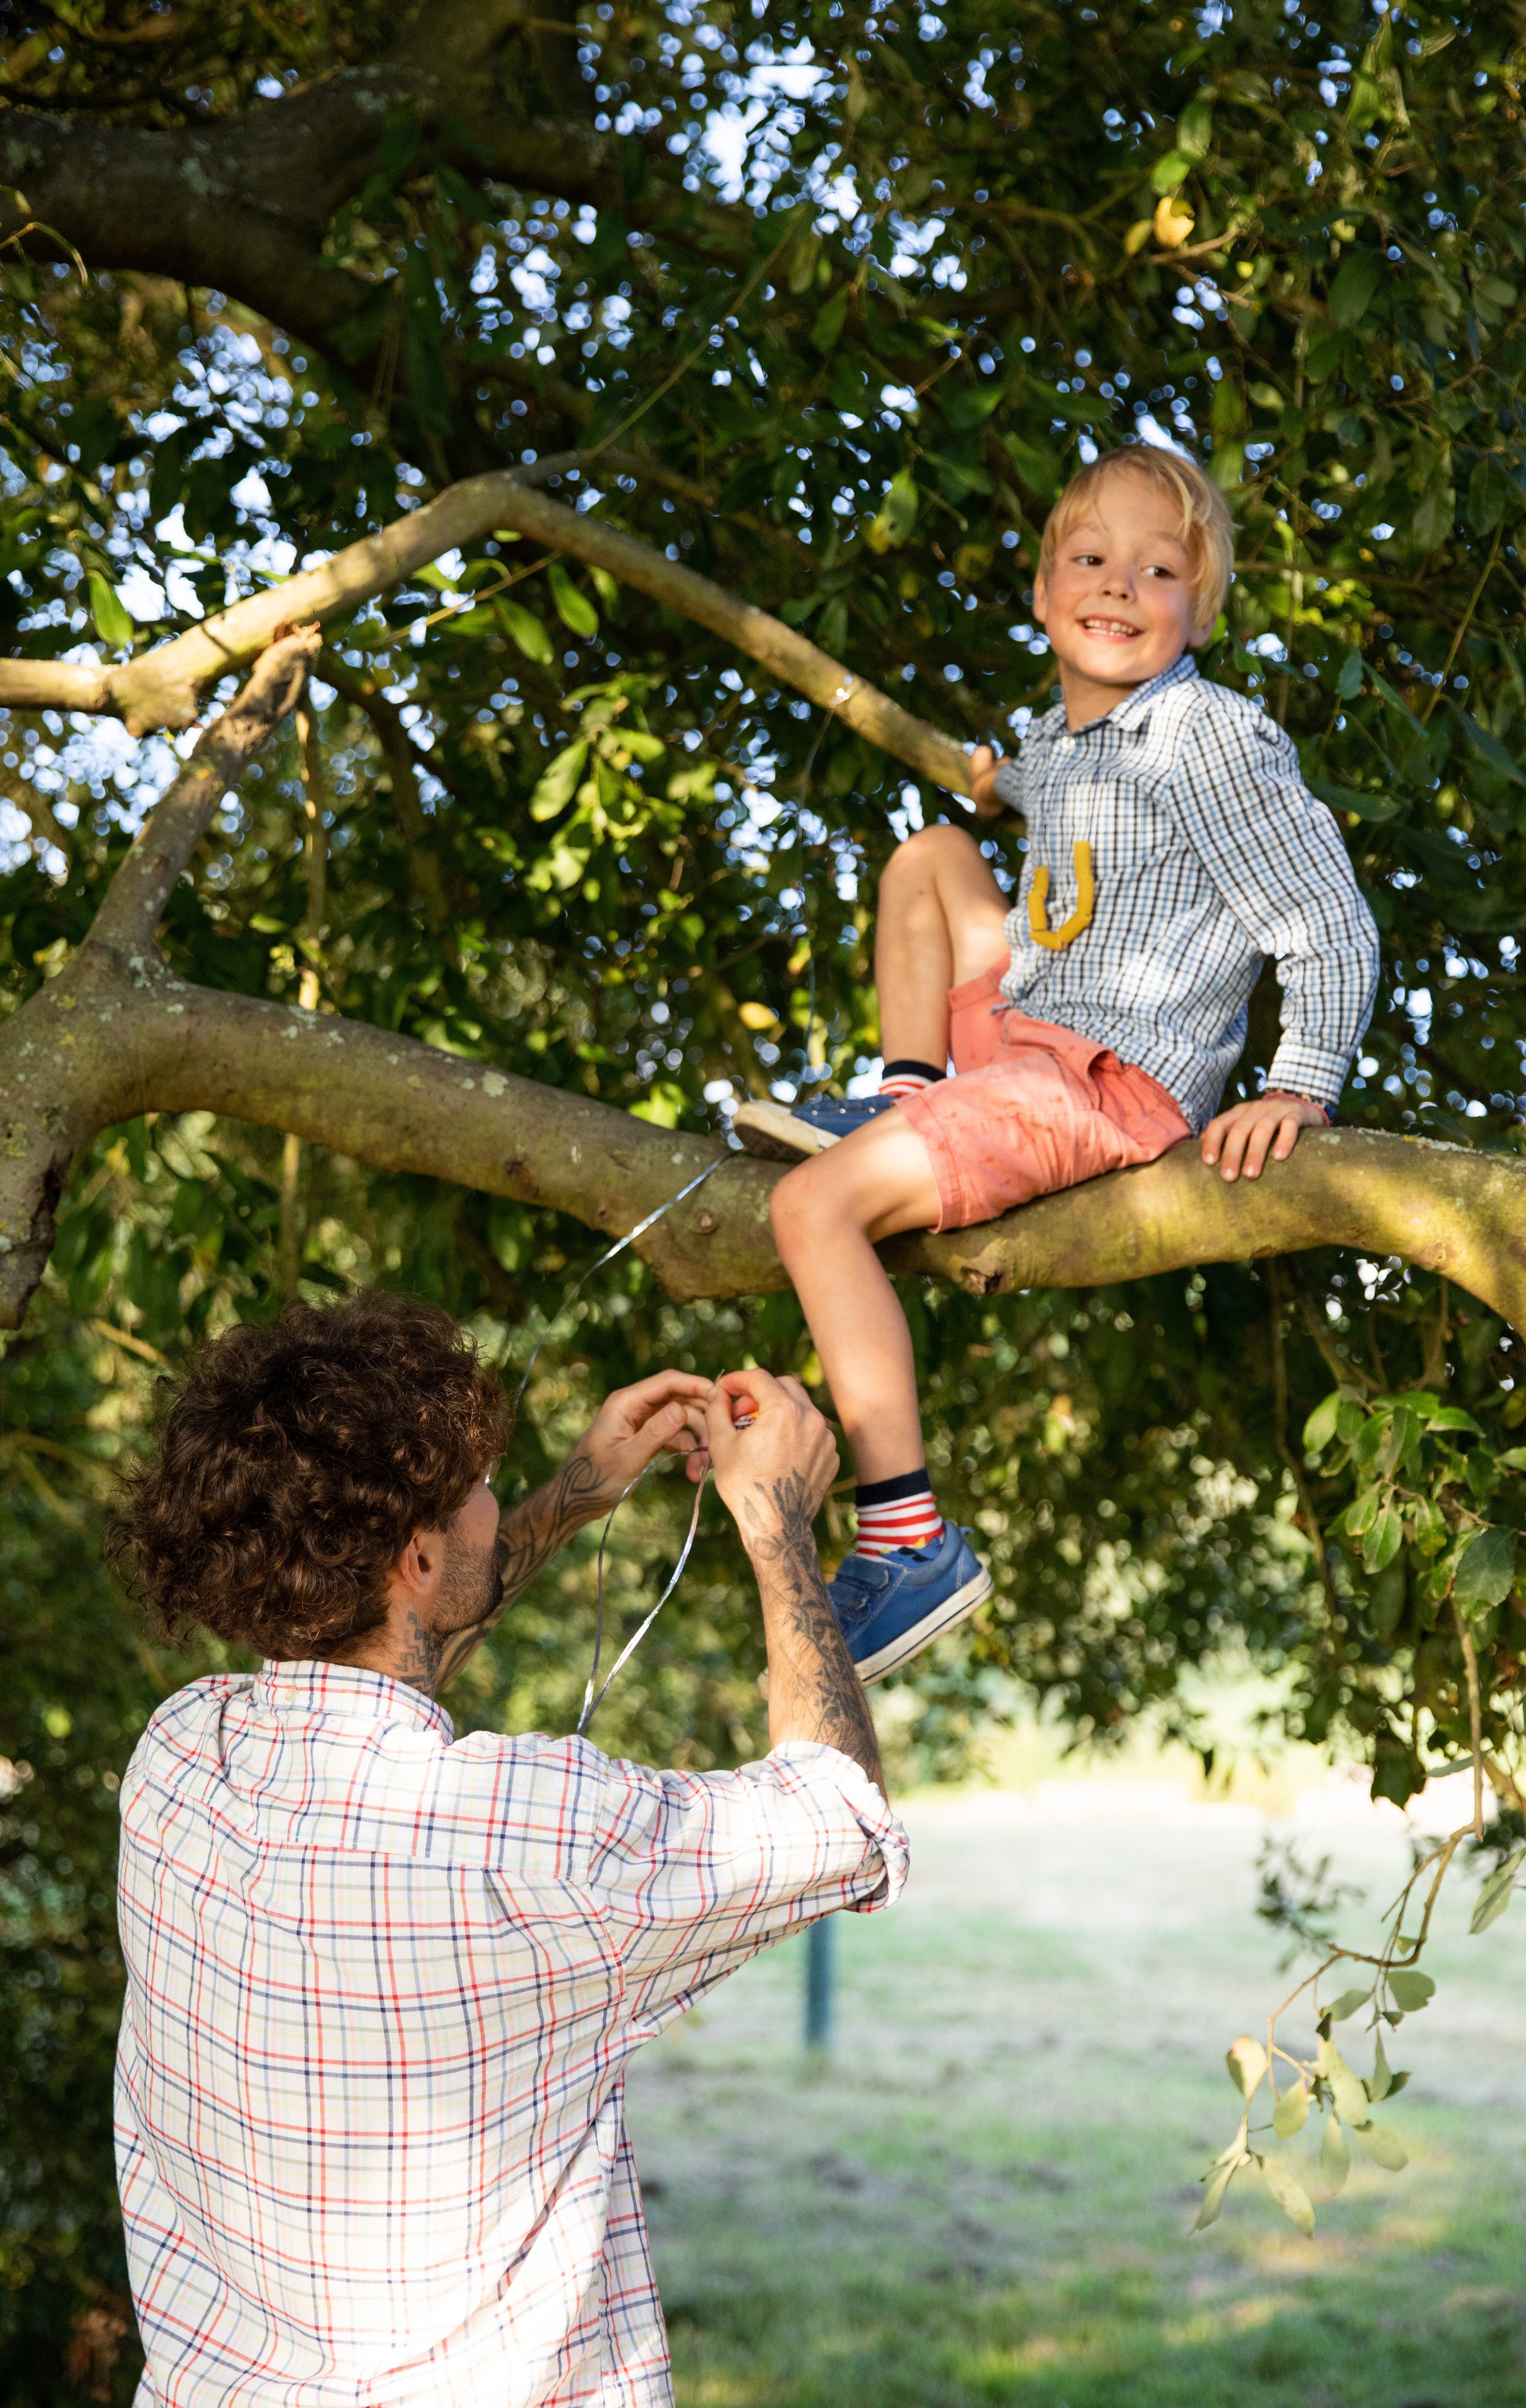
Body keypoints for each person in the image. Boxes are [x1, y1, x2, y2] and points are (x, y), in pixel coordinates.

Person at [107, 1296, 904, 2408]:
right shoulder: (533, 1837)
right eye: (478, 1485)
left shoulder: (181, 1758)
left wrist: (577, 1494)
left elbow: (377, 1673)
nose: (494, 1497)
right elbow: (844, 1819)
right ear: (420, 1553)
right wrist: (777, 1521)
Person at [734, 442, 1379, 1686]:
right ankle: (907, 1091)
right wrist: (1000, 782)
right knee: (929, 855)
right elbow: (1057, 783)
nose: (1118, 587)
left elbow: (1326, 918)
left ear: (1199, 609)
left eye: (1157, 570)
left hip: (1099, 1079)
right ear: (1041, 595)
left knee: (811, 1208)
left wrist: (1299, 1082)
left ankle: (906, 1537)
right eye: (1090, 561)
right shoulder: (1071, 738)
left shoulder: (1214, 739)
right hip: (1020, 1022)